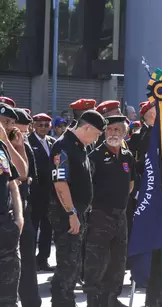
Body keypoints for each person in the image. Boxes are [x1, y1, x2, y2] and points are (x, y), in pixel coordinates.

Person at [49, 110, 106, 306]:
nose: (98, 138)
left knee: (73, 266)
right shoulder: (63, 146)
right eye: (97, 133)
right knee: (67, 266)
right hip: (66, 214)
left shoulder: (79, 146)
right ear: (87, 128)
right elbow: (60, 183)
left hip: (78, 213)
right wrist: (71, 212)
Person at [128, 101, 162, 307]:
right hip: (145, 199)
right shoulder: (139, 137)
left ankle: (157, 294)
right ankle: (148, 291)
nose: (157, 114)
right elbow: (134, 165)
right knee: (147, 248)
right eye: (154, 111)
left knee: (160, 247)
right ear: (145, 114)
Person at [84, 115, 135, 307]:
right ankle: (94, 301)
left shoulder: (127, 156)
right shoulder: (94, 156)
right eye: (110, 129)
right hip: (99, 215)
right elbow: (87, 187)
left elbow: (130, 183)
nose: (113, 133)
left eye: (117, 130)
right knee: (97, 262)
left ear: (124, 133)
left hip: (120, 216)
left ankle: (111, 299)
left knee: (118, 261)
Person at [14, 108, 42, 307]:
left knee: (27, 261)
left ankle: (31, 301)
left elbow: (28, 177)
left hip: (25, 210)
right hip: (12, 213)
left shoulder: (25, 145)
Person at [0, 105, 24, 307]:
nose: (6, 126)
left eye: (9, 123)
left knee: (8, 294)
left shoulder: (2, 148)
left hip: (5, 226)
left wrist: (19, 218)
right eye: (3, 121)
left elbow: (16, 180)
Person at [28, 113, 55, 271]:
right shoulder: (28, 141)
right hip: (36, 192)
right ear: (33, 125)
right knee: (33, 227)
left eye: (46, 125)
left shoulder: (52, 142)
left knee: (47, 227)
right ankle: (30, 259)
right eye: (40, 124)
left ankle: (42, 259)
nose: (43, 128)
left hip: (50, 193)